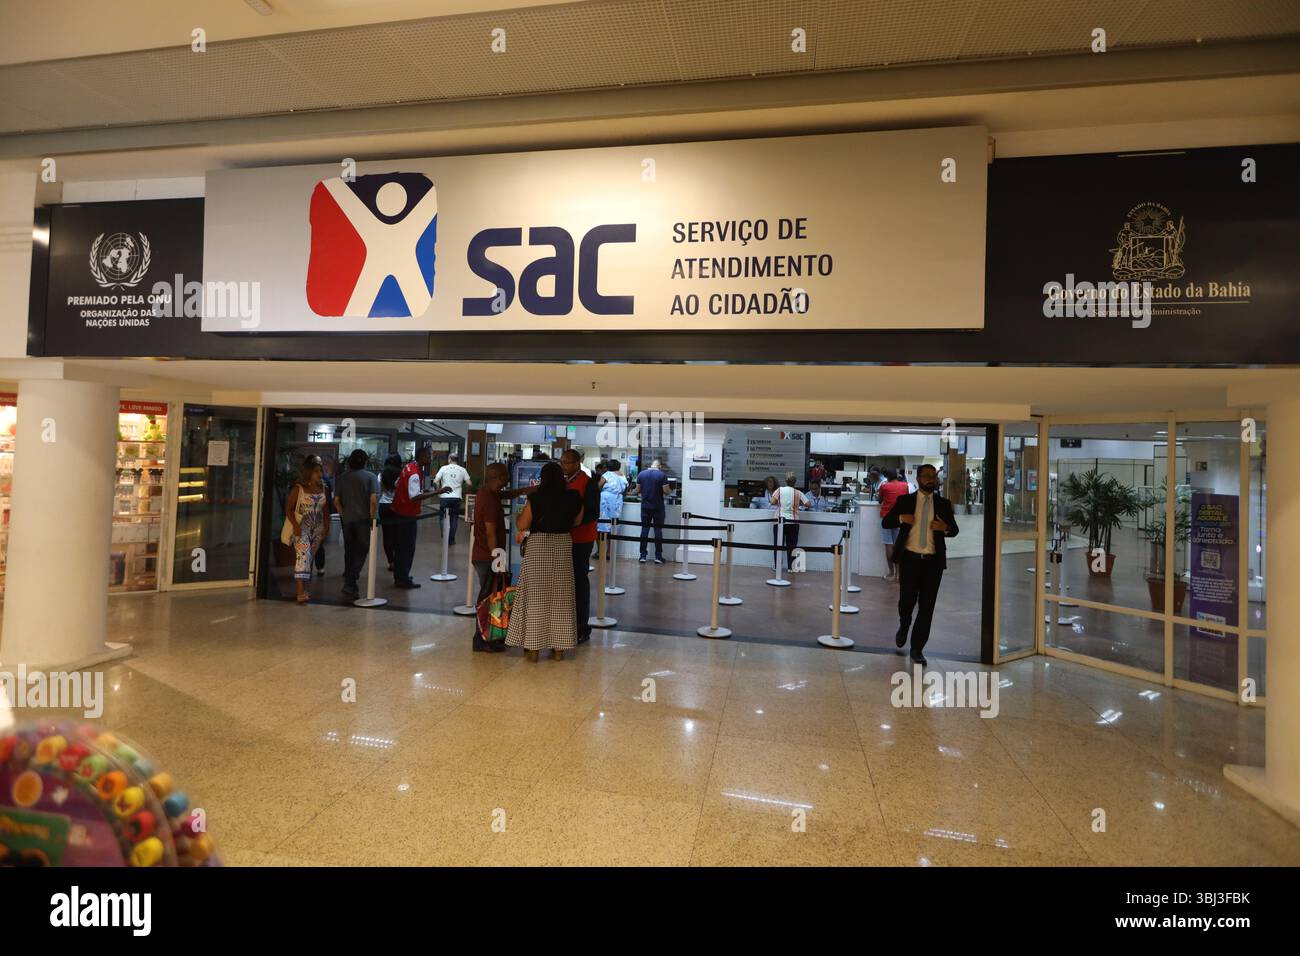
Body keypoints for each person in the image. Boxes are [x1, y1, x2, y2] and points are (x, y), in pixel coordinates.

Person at [881, 463, 959, 666]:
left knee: (927, 608)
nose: (930, 479)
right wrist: (900, 517)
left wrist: (945, 528)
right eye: (926, 476)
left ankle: (917, 648)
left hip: (933, 564)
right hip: (909, 560)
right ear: (918, 479)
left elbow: (954, 530)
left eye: (933, 476)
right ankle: (904, 624)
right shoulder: (905, 501)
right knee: (906, 603)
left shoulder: (943, 504)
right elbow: (886, 522)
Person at [506, 461, 583, 661]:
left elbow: (523, 524)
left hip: (539, 546)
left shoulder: (536, 497)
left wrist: (519, 517)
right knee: (561, 597)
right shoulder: (574, 497)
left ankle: (533, 648)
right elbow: (576, 522)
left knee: (536, 597)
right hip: (563, 545)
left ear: (543, 478)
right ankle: (559, 650)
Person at [559, 449, 599, 644]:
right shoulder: (563, 482)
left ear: (577, 463)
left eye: (567, 462)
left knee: (579, 579)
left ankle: (582, 626)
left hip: (582, 539)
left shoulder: (588, 482)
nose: (563, 465)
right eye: (561, 462)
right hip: (564, 537)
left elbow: (593, 512)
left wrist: (572, 522)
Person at [390, 445, 443, 589]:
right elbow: (415, 497)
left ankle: (400, 575)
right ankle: (403, 578)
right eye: (429, 455)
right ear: (422, 456)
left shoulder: (408, 467)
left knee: (400, 547)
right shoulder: (414, 473)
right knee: (407, 548)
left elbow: (397, 484)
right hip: (407, 515)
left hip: (399, 512)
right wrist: (438, 492)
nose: (431, 458)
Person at [471, 462, 509, 653]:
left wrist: (529, 489)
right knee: (487, 600)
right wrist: (497, 559)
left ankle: (490, 636)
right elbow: (490, 532)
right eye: (506, 475)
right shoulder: (490, 499)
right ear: (500, 477)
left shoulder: (486, 493)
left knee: (492, 598)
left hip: (485, 554)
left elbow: (506, 494)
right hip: (488, 556)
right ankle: (481, 639)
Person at [334, 449, 379, 600]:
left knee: (350, 550)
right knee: (361, 551)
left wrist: (343, 513)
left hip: (347, 520)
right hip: (363, 520)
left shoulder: (342, 477)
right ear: (366, 461)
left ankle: (349, 582)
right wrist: (372, 518)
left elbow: (336, 501)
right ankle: (350, 582)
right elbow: (373, 500)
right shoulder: (371, 477)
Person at [286, 456, 328, 604]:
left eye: (320, 470)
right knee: (302, 557)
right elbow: (289, 509)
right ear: (309, 472)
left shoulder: (324, 488)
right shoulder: (299, 489)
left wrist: (326, 528)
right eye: (316, 471)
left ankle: (304, 589)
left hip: (317, 529)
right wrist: (296, 527)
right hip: (302, 528)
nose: (320, 473)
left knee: (309, 559)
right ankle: (300, 593)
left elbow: (326, 510)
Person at [770, 471, 809, 573]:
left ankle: (777, 566)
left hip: (779, 521)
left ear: (786, 481)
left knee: (778, 545)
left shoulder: (780, 490)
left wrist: (780, 503)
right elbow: (808, 504)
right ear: (795, 482)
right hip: (793, 522)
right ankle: (791, 567)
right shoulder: (798, 493)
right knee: (792, 545)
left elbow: (773, 502)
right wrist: (798, 504)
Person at [877, 467, 911, 582]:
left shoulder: (884, 486)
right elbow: (906, 500)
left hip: (886, 517)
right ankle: (899, 574)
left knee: (889, 545)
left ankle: (891, 573)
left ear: (887, 477)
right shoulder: (905, 485)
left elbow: (879, 500)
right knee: (898, 545)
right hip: (899, 518)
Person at [434, 452, 472, 546]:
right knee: (454, 518)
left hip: (444, 497)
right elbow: (469, 484)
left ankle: (444, 538)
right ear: (457, 460)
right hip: (456, 497)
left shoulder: (443, 468)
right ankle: (451, 540)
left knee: (442, 517)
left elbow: (435, 481)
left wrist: (438, 491)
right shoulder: (462, 470)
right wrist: (463, 491)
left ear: (449, 459)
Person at [636, 458, 669, 564]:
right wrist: (671, 490)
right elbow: (666, 491)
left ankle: (642, 556)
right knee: (658, 531)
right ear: (659, 466)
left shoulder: (641, 474)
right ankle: (658, 557)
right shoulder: (662, 475)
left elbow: (637, 490)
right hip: (658, 507)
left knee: (644, 530)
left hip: (645, 506)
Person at [377, 454, 402, 574]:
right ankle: (398, 561)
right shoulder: (402, 474)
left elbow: (378, 491)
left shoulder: (381, 475)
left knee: (387, 535)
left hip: (384, 506)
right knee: (398, 535)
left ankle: (391, 561)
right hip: (398, 506)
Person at [313, 458, 337, 577]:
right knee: (317, 544)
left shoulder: (323, 485)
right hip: (316, 518)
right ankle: (319, 567)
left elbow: (326, 505)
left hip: (317, 519)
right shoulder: (326, 482)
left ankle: (317, 567)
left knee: (317, 544)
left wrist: (327, 524)